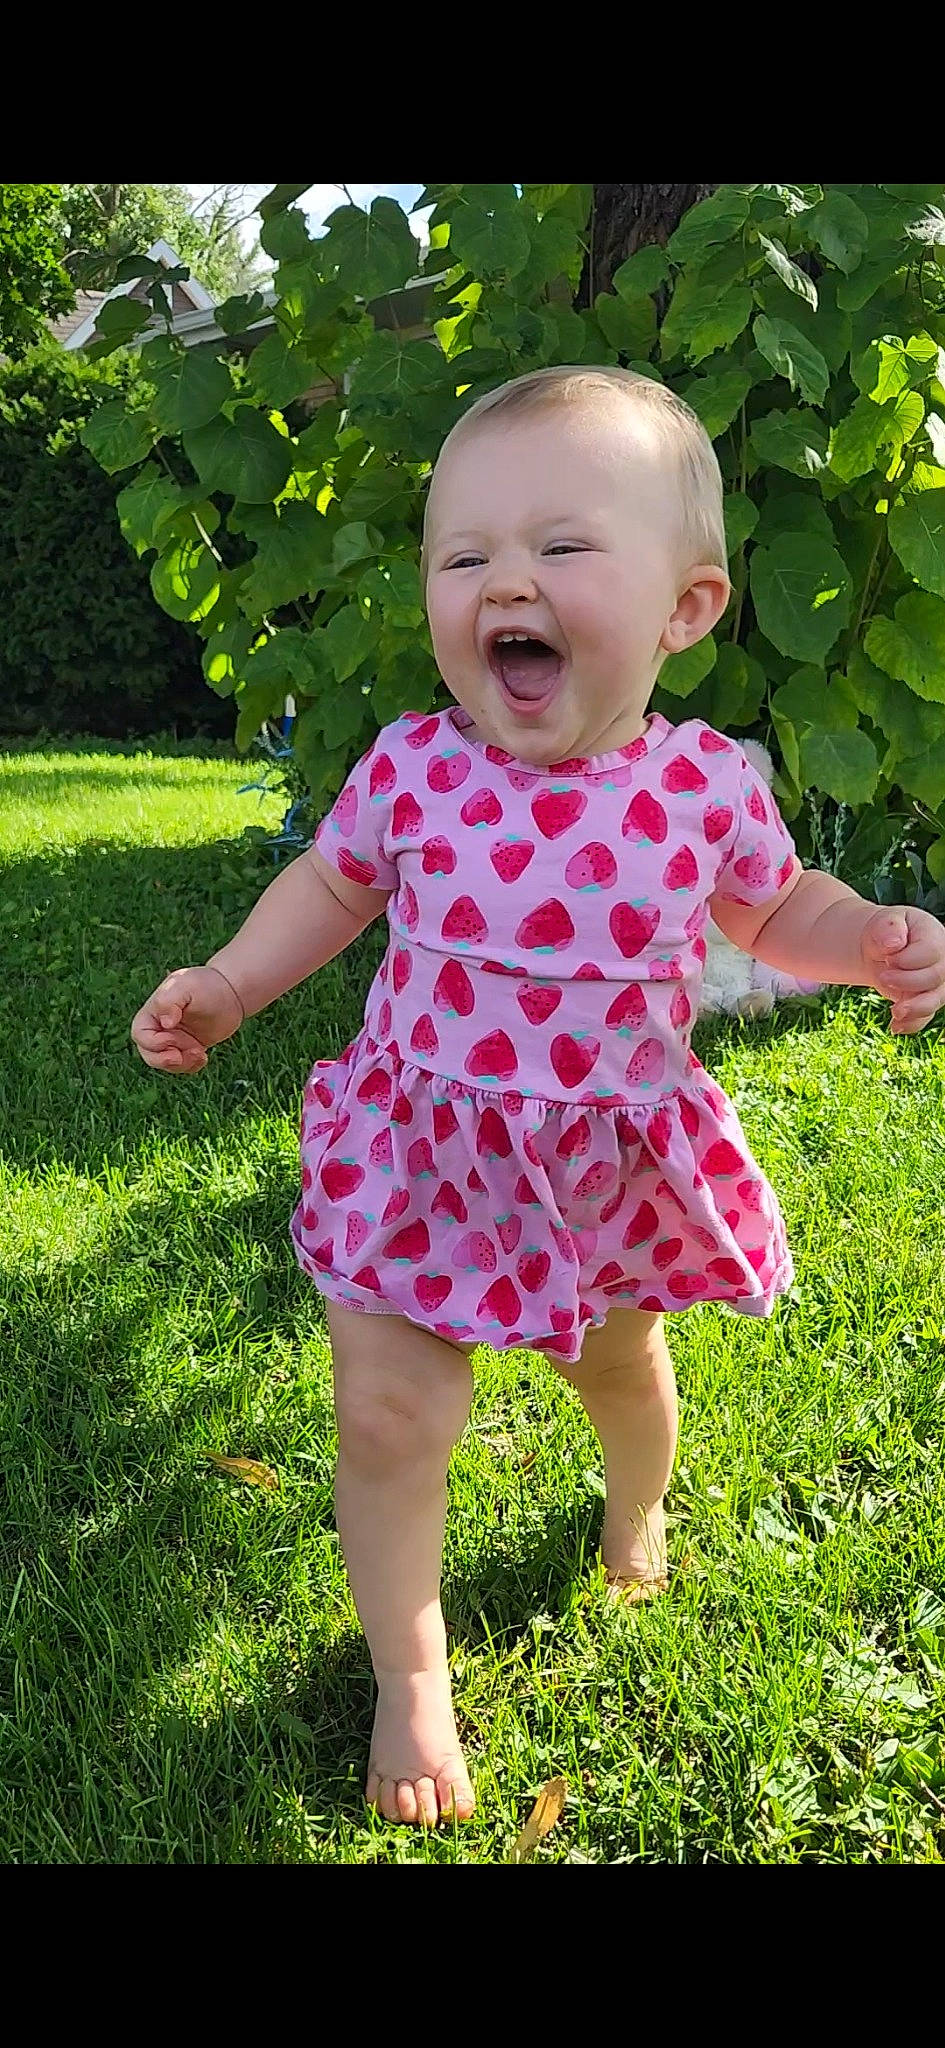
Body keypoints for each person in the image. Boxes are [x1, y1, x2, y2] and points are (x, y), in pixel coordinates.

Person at [131, 366, 945, 1829]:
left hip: (601, 1161)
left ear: (683, 611)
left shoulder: (699, 787)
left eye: (562, 547)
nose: (505, 578)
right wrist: (234, 982)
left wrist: (864, 939)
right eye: (466, 556)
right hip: (419, 1147)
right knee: (387, 1413)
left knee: (618, 1372)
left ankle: (632, 1507)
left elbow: (775, 912)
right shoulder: (410, 769)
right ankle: (411, 1672)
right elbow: (330, 885)